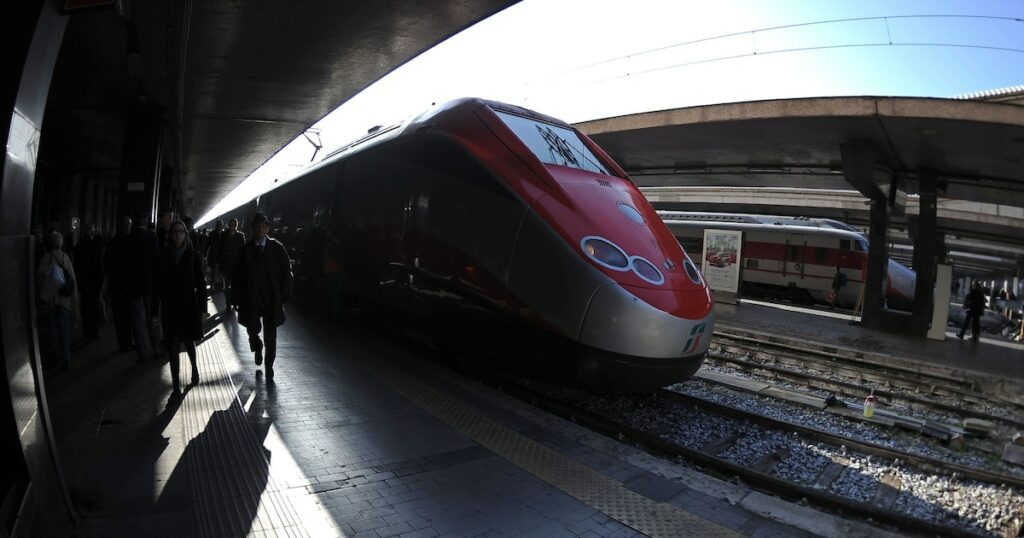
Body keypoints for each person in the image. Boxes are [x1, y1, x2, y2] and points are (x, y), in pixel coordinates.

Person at [231, 213, 292, 381]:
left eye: (263, 226)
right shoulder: (245, 251)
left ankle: (269, 365)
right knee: (252, 327)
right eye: (257, 226)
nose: (260, 229)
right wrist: (235, 298)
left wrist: (285, 293)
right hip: (251, 298)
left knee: (271, 336)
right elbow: (237, 276)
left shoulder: (277, 248)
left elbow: (287, 271)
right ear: (252, 229)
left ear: (267, 228)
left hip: (272, 299)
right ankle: (256, 345)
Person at [156, 219, 207, 396]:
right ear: (170, 235)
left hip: (188, 305)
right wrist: (155, 309)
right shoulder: (163, 255)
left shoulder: (194, 255)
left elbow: (201, 284)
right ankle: (176, 386)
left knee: (189, 341)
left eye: (181, 231)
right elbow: (158, 283)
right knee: (172, 346)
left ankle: (194, 368)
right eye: (175, 231)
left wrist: (203, 309)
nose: (177, 234)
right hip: (169, 306)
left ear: (185, 234)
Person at [37, 231, 77, 372]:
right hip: (64, 301)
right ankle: (65, 358)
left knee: (51, 331)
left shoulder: (46, 258)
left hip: (51, 301)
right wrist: (74, 304)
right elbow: (72, 281)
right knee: (64, 331)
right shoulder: (66, 258)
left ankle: (54, 358)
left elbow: (40, 279)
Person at [126, 213, 161, 362]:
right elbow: (157, 260)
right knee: (151, 317)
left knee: (137, 320)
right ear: (146, 221)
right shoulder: (152, 237)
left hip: (133, 285)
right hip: (149, 284)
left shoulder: (127, 239)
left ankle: (142, 353)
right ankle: (156, 350)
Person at [105, 217, 135, 352]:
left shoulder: (114, 243)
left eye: (129, 224)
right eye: (126, 224)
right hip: (119, 285)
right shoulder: (126, 243)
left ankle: (127, 341)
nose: (127, 227)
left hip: (123, 286)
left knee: (126, 317)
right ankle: (124, 343)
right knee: (122, 317)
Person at [74, 223, 105, 343]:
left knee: (85, 309)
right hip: (94, 283)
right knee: (94, 309)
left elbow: (77, 266)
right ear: (92, 232)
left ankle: (86, 332)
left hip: (84, 283)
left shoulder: (79, 246)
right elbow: (98, 266)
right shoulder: (94, 246)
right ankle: (93, 332)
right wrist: (101, 281)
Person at [217, 218, 245, 305]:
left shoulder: (240, 235)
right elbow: (220, 248)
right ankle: (228, 300)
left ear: (236, 225)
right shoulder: (224, 235)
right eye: (231, 224)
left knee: (235, 284)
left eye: (234, 224)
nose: (232, 226)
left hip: (236, 264)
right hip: (226, 263)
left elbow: (243, 249)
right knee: (226, 283)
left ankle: (233, 300)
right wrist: (219, 261)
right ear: (229, 225)